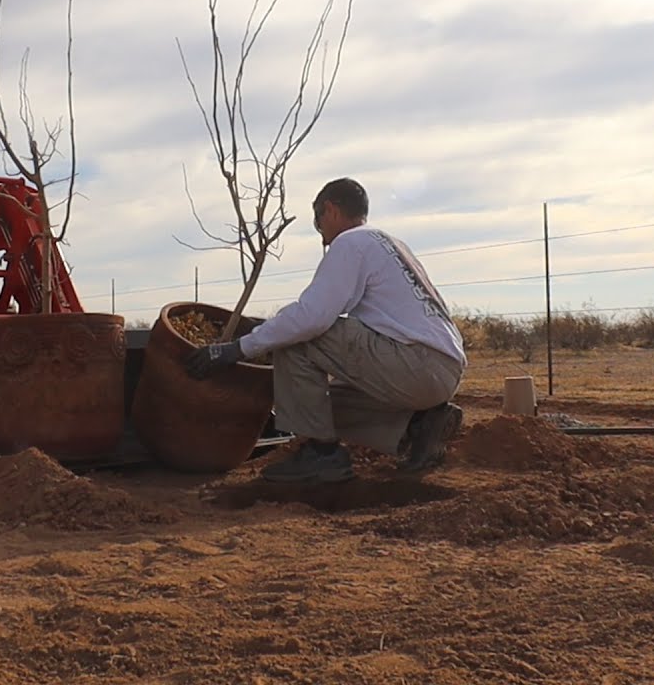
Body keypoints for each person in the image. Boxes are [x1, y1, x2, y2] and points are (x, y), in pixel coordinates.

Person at [185, 176, 467, 483]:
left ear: (330, 210)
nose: (322, 239)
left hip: (415, 362)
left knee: (296, 337)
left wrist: (237, 348)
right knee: (319, 408)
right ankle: (419, 425)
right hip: (441, 367)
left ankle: (322, 455)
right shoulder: (390, 244)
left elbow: (311, 319)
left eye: (319, 225)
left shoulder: (351, 242)